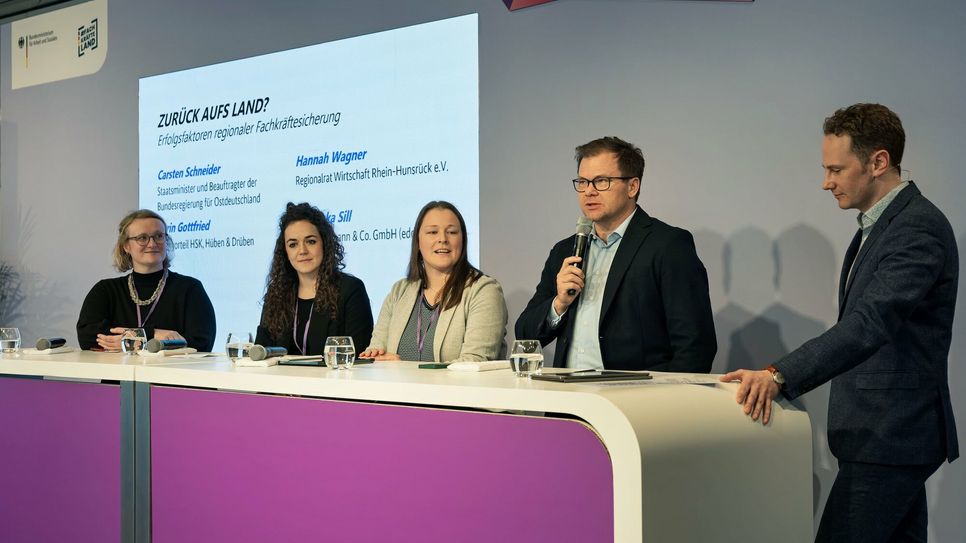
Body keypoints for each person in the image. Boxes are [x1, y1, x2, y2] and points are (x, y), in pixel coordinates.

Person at [722, 103, 959, 542]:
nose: (826, 181)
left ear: (878, 162)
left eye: (836, 169)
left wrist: (779, 374)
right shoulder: (879, 225)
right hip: (887, 436)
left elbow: (870, 322)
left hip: (891, 436)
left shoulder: (916, 228)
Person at [515, 136, 716, 371]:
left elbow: (695, 345)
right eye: (582, 182)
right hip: (568, 398)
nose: (589, 191)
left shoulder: (668, 245)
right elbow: (526, 335)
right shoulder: (565, 250)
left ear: (632, 186)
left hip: (635, 400)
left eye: (601, 181)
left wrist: (665, 401)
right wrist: (559, 303)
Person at [360, 201, 507, 362]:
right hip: (397, 388)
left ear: (463, 240)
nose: (442, 239)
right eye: (432, 232)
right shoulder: (399, 291)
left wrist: (404, 368)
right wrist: (373, 358)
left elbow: (474, 362)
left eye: (451, 232)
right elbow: (376, 351)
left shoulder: (484, 291)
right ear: (418, 241)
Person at [77, 209, 216, 351]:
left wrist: (130, 341)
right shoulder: (106, 290)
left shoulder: (190, 289)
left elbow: (201, 342)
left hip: (168, 373)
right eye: (142, 238)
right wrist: (152, 334)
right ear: (126, 246)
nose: (152, 244)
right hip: (118, 373)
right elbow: (86, 336)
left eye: (159, 236)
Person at [255, 202, 373, 355]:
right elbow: (261, 350)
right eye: (293, 244)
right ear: (285, 252)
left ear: (324, 243)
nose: (302, 251)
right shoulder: (276, 293)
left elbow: (359, 354)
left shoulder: (350, 289)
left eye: (311, 241)